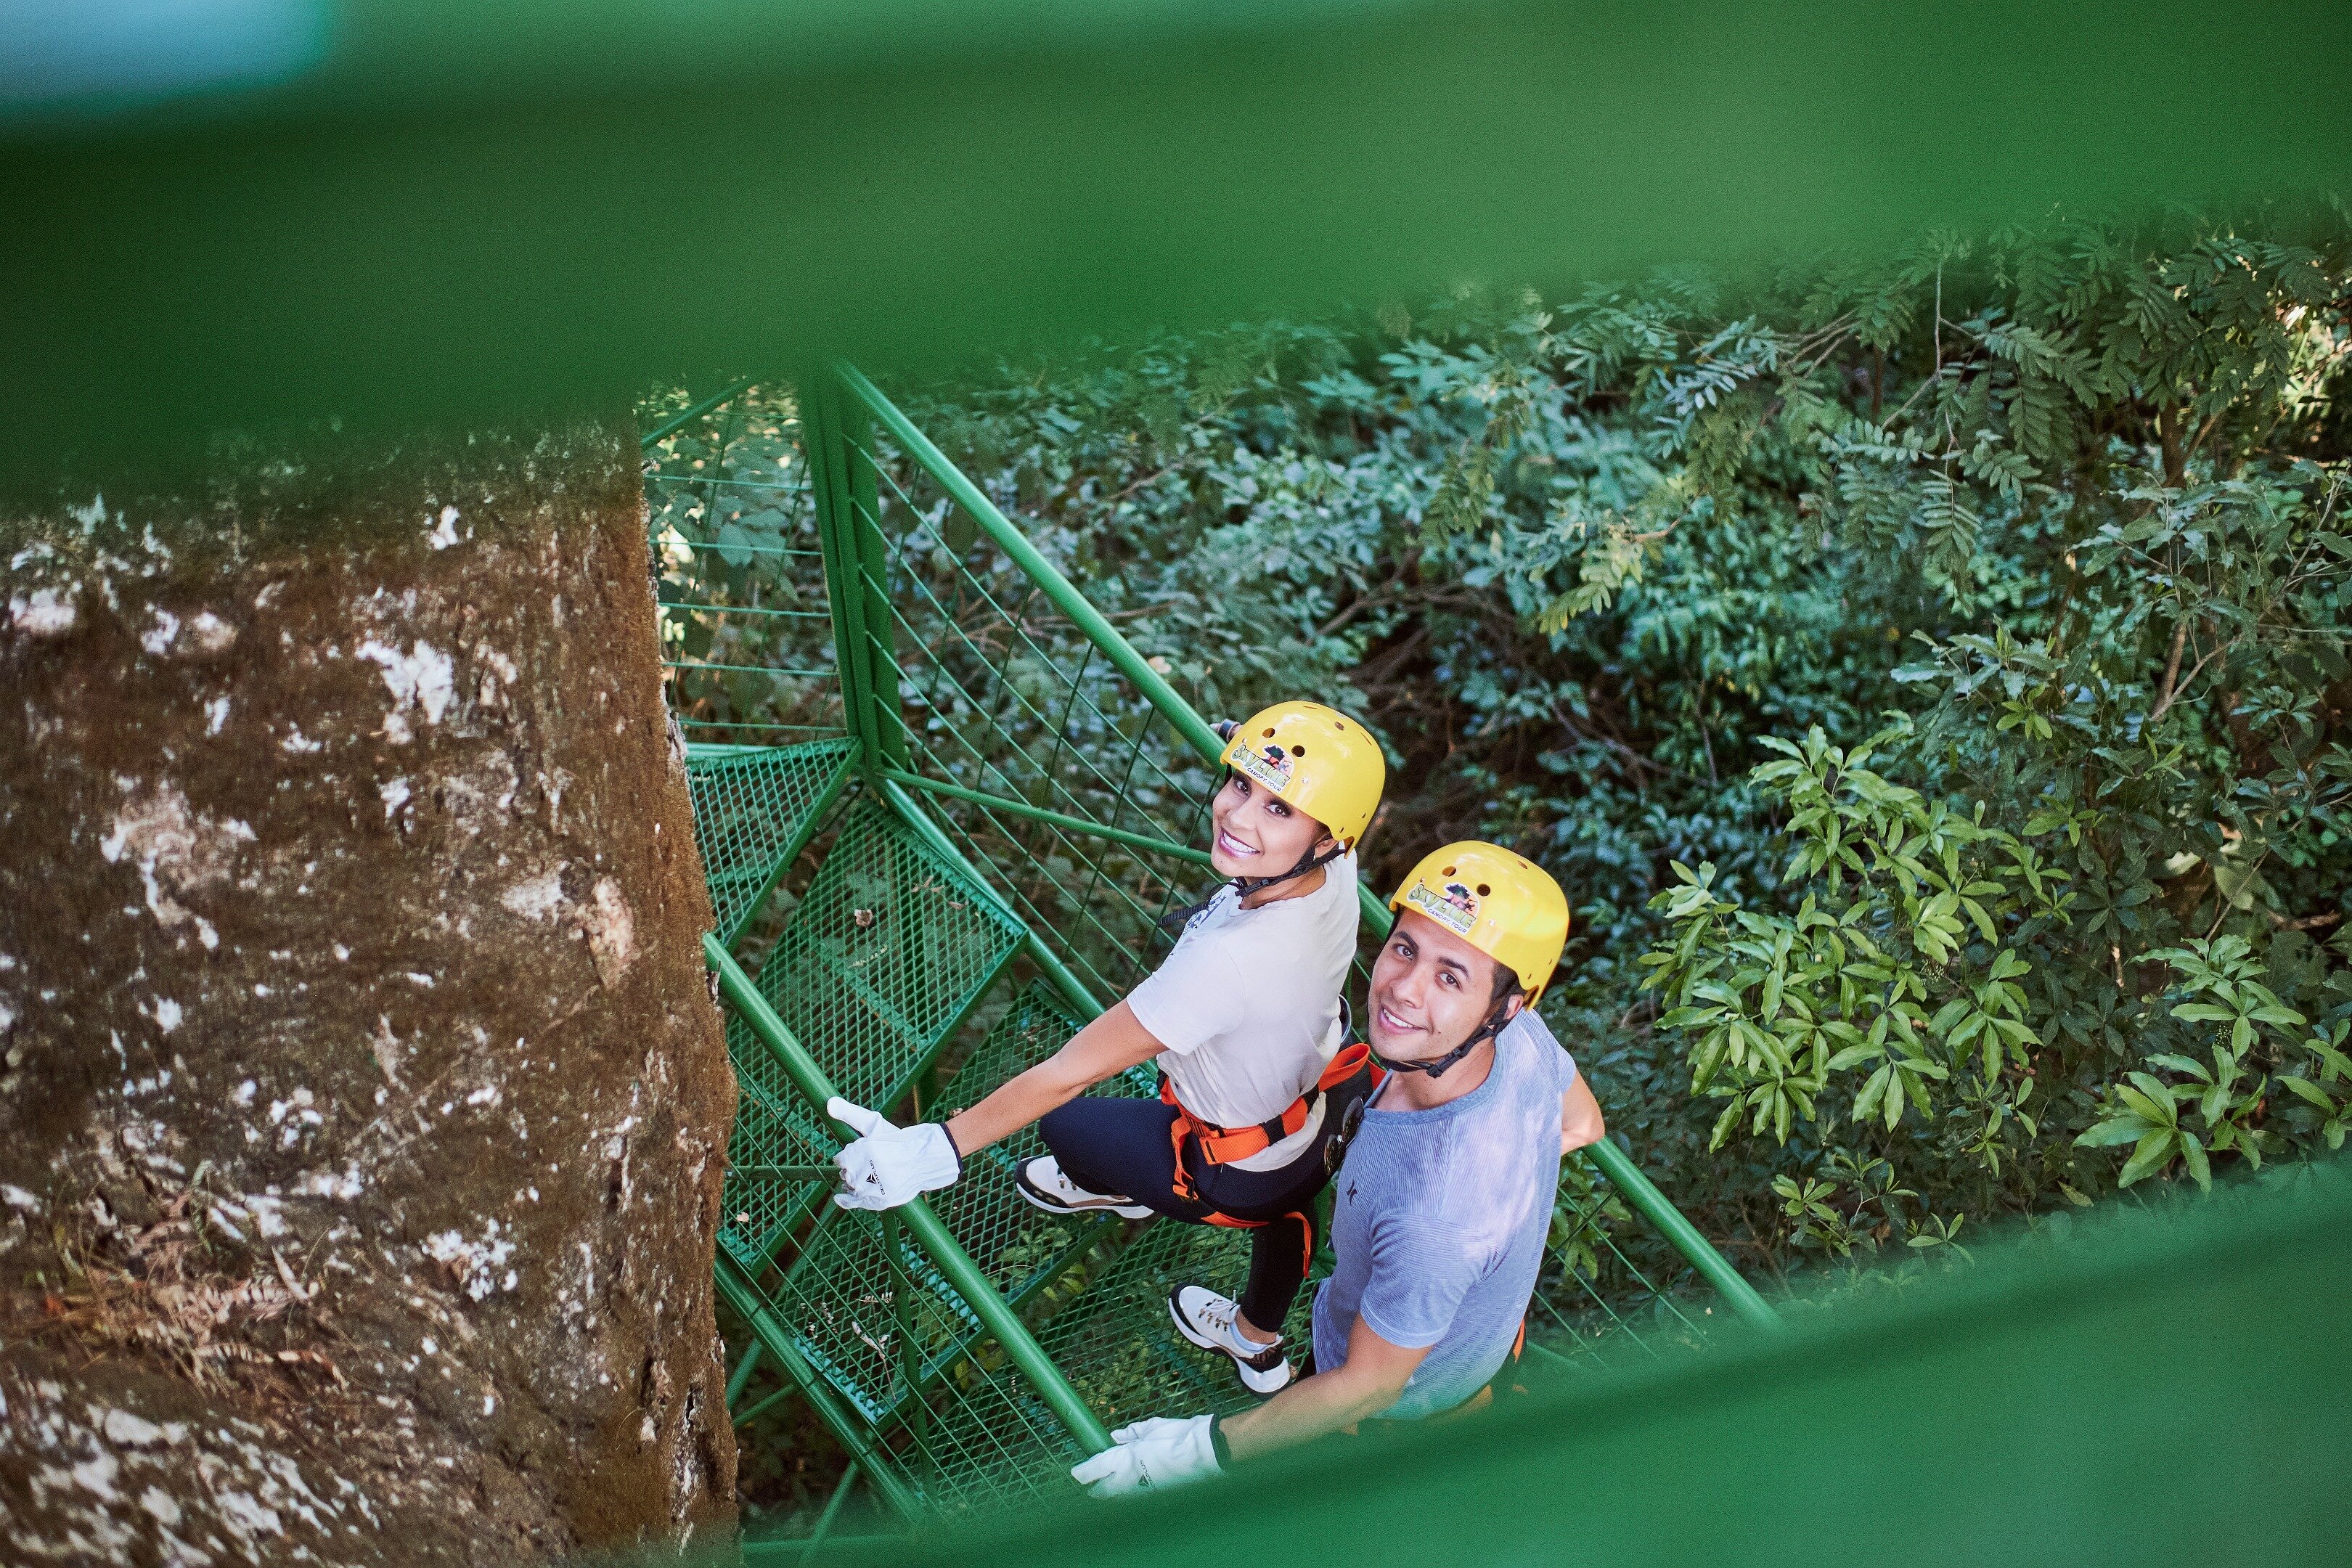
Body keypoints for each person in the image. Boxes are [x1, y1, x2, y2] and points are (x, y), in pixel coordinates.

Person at [827, 700, 1387, 1393]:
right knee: (1286, 1207)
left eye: (1278, 811)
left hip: (1230, 1170)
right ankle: (1255, 1340)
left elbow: (1069, 1072)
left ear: (1327, 838)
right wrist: (1269, 753)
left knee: (1067, 1124)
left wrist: (935, 1148)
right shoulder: (1335, 871)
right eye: (1241, 783)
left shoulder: (1228, 965)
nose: (1238, 817)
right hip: (1321, 1116)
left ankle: (1124, 1192)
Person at [1069, 841, 1604, 1497]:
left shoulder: (1435, 1220)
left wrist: (1199, 1449)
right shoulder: (1524, 1043)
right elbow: (1584, 1124)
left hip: (1387, 1405)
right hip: (1461, 1348)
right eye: (1406, 949)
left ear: (1504, 1006)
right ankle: (1253, 1336)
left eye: (1450, 977)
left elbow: (1367, 1386)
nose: (1402, 991)